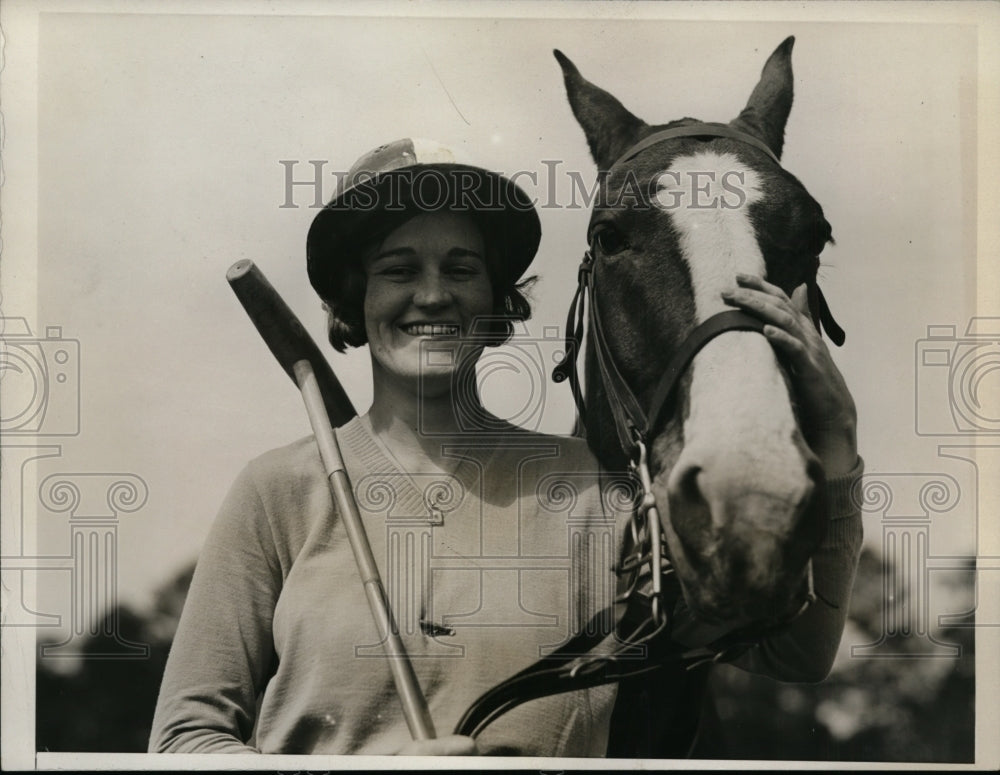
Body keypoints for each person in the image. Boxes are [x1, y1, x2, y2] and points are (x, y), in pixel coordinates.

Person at [149, 138, 863, 757]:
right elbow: (185, 739)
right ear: (353, 300)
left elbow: (796, 650)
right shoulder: (276, 490)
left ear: (497, 303)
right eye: (399, 269)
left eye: (461, 270)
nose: (432, 295)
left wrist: (836, 448)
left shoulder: (598, 492)